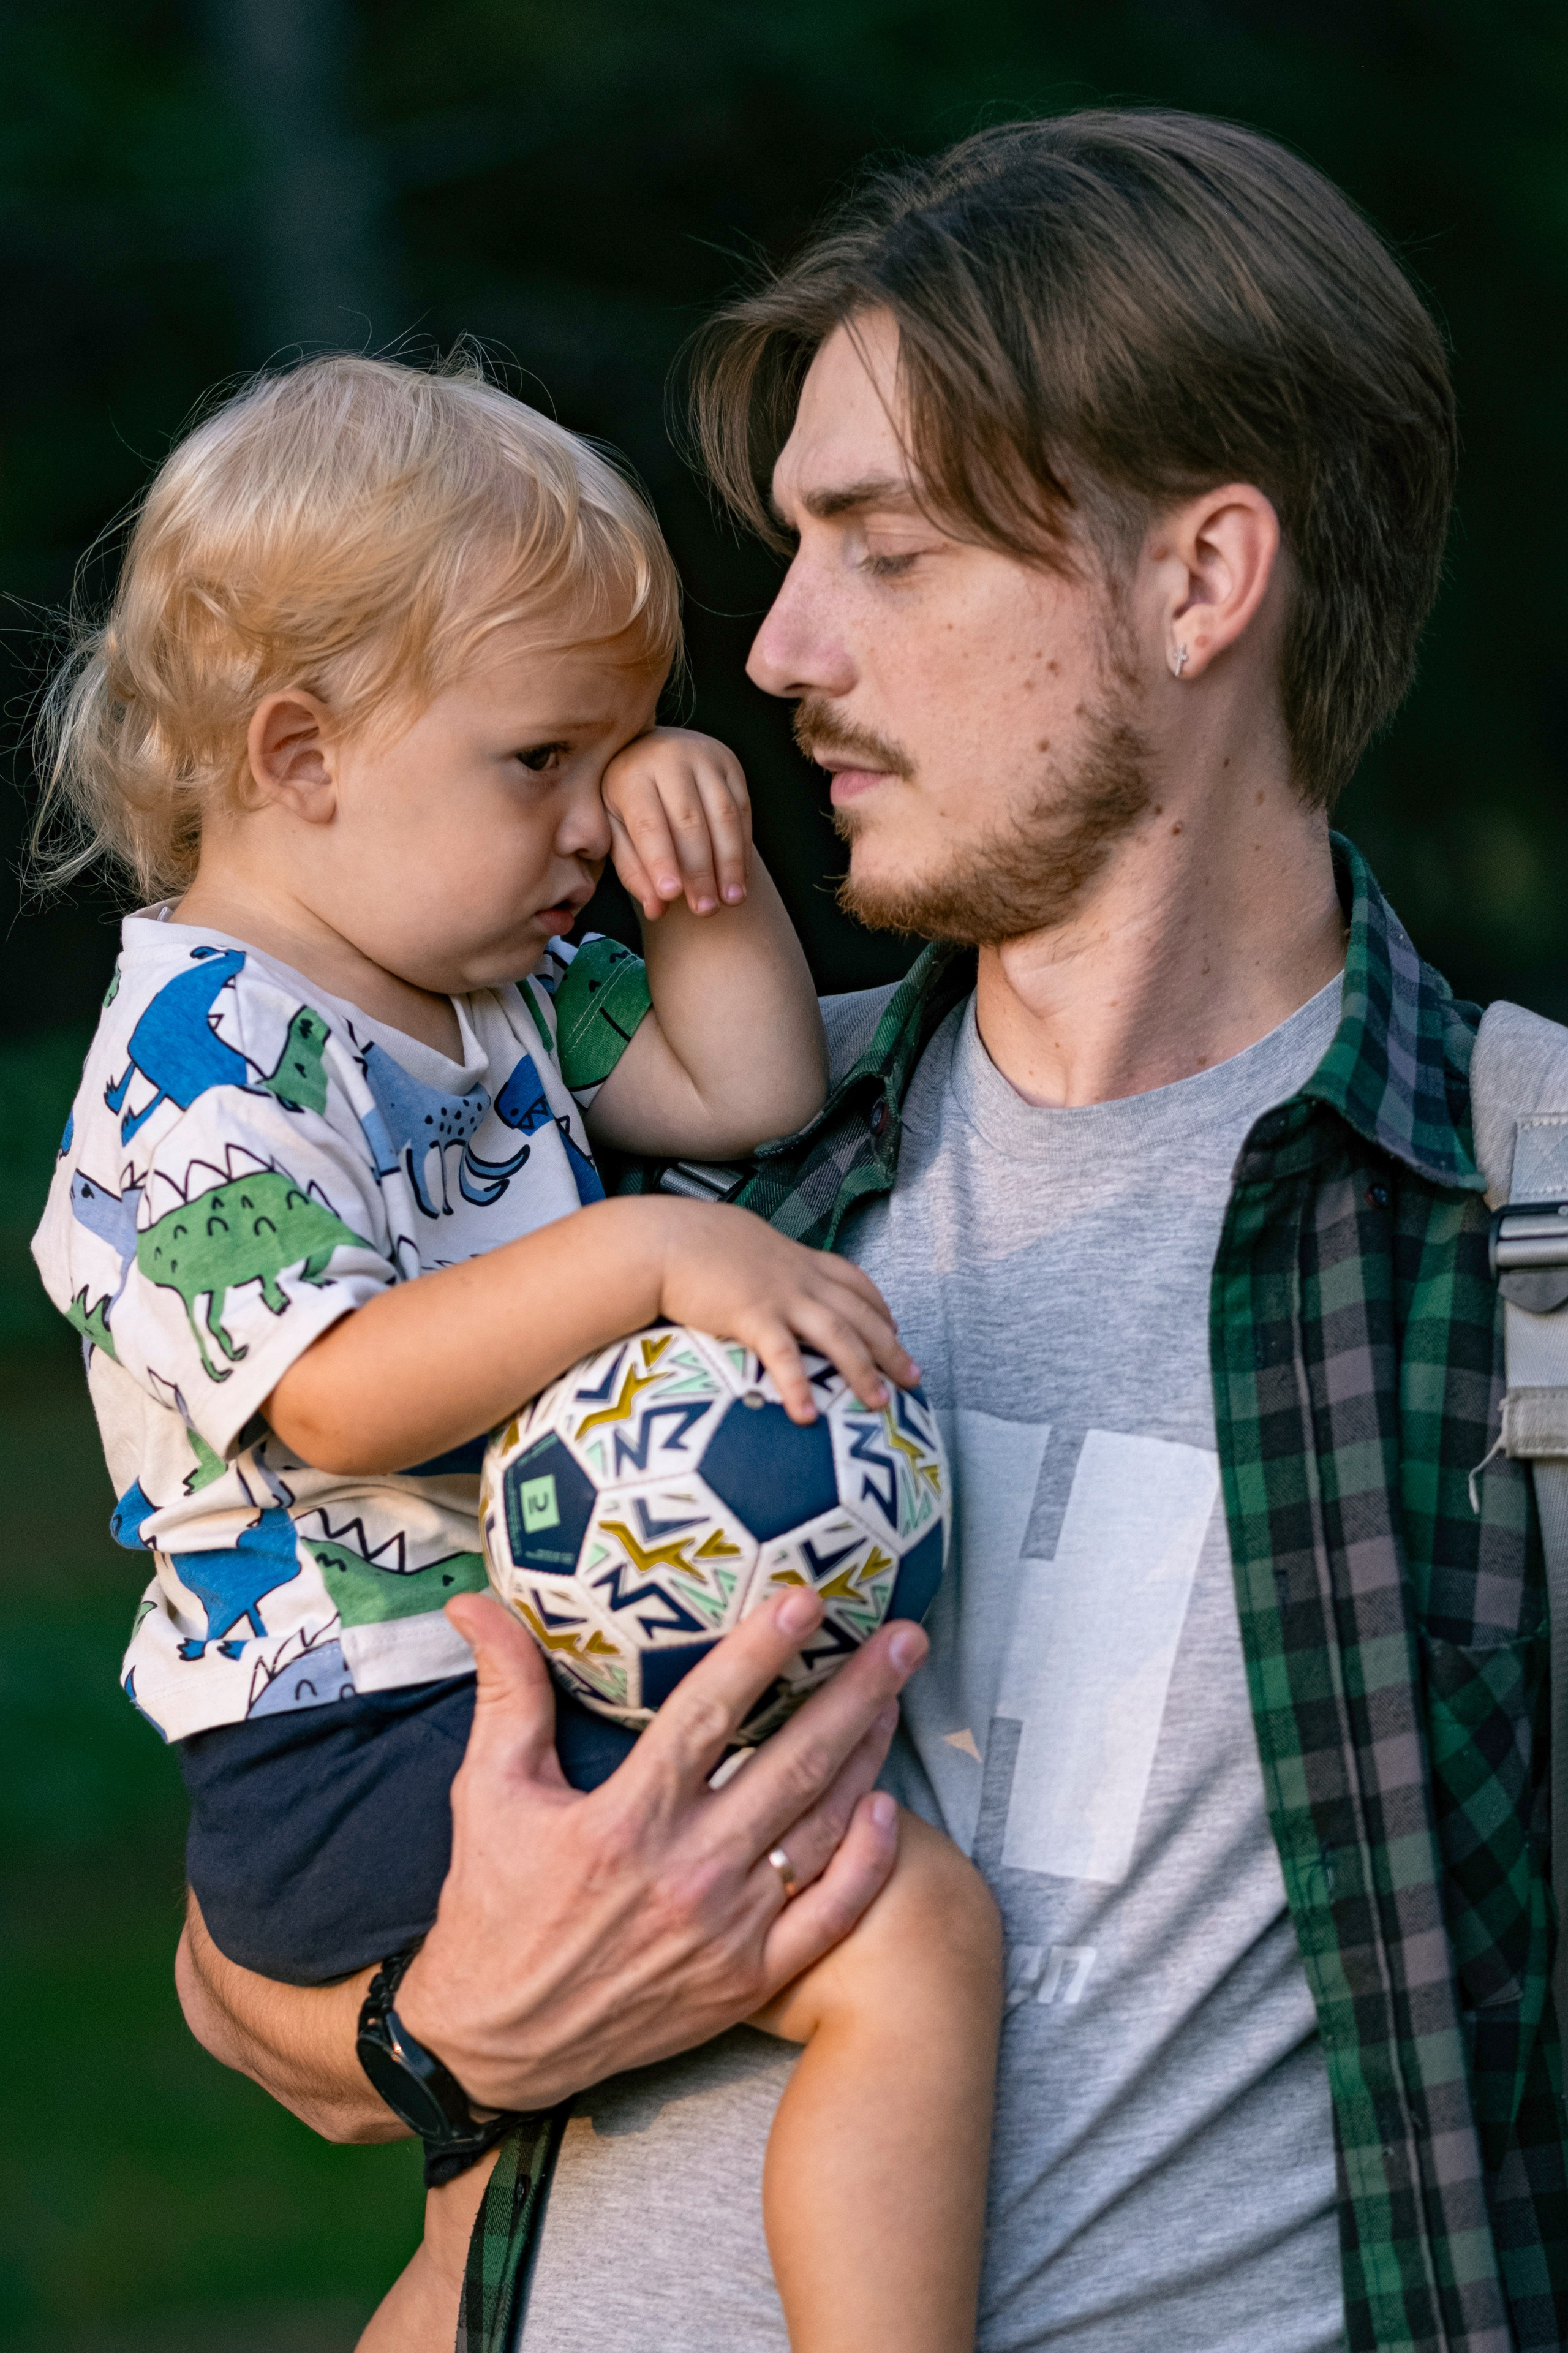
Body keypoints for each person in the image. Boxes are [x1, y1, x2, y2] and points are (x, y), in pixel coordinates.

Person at [176, 109, 1568, 2353]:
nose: (789, 645)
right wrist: (450, 2037)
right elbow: (240, 1949)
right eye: (793, 544)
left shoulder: (1526, 1227)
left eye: (887, 550)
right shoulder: (652, 1173)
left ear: (1205, 580)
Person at [29, 352, 1003, 2353]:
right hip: (345, 1743)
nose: (585, 816)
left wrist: (688, 866)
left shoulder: (491, 993)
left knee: (505, 2222)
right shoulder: (198, 1064)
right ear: (299, 754)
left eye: (615, 749)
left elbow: (740, 1083)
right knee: (906, 1930)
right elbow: (334, 1390)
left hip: (457, 1697)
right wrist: (645, 1250)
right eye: (541, 759)